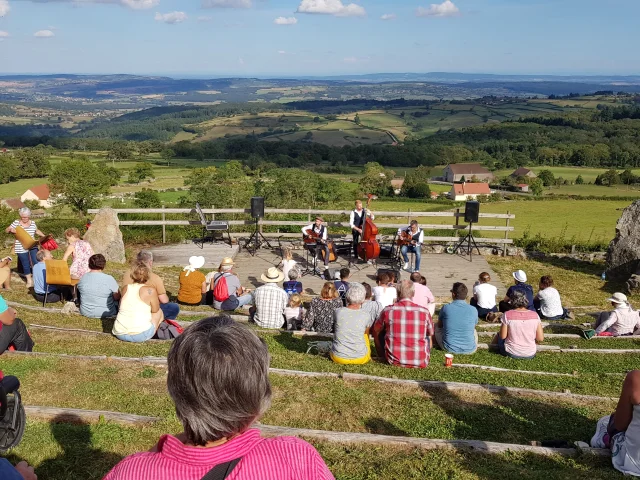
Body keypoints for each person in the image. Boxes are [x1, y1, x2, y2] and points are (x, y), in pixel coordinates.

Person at [104, 316, 334, 480]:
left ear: (176, 389)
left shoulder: (130, 472)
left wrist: (151, 456)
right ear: (259, 395)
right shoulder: (296, 458)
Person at [372, 280, 434, 369]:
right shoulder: (424, 311)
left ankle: (384, 353)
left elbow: (376, 330)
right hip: (421, 361)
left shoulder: (388, 310)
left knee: (380, 329)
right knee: (427, 334)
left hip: (394, 360)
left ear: (397, 292)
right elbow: (430, 333)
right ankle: (421, 353)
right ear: (413, 293)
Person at [591, 370, 640, 476]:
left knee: (611, 421)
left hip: (635, 463)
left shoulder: (636, 378)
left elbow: (620, 425)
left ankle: (605, 439)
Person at [112, 262, 164, 343]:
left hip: (120, 333)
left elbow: (120, 306)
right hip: (140, 335)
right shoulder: (150, 290)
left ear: (132, 275)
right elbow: (155, 310)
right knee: (159, 312)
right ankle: (156, 332)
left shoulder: (126, 288)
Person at [123, 251, 180, 321]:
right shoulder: (155, 278)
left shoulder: (127, 274)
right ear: (150, 262)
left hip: (128, 306)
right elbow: (164, 300)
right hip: (146, 308)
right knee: (174, 307)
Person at [493, 290, 543, 360]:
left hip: (511, 352)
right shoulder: (535, 315)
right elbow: (540, 338)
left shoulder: (507, 314)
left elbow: (503, 336)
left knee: (498, 335)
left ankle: (491, 347)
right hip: (530, 353)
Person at [331, 283, 371, 365]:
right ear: (363, 299)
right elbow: (366, 334)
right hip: (360, 358)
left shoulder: (338, 312)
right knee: (365, 335)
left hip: (338, 357)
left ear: (347, 297)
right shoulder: (366, 315)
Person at [5, 207, 44, 288]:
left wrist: (44, 236)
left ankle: (38, 278)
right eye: (22, 217)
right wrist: (10, 229)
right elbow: (7, 230)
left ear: (29, 216)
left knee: (36, 261)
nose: (24, 219)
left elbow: (36, 231)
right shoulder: (16, 222)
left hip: (32, 245)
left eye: (25, 217)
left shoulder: (32, 223)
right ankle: (29, 281)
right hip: (20, 246)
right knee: (25, 264)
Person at [436, 282, 479, 354]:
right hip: (470, 349)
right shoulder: (473, 309)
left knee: (436, 327)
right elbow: (473, 326)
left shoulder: (446, 307)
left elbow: (440, 325)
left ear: (453, 294)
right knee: (473, 330)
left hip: (449, 347)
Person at [77, 254, 121, 319]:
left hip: (85, 311)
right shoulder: (109, 279)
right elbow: (117, 297)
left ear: (89, 264)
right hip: (107, 312)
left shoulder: (83, 277)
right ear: (103, 265)